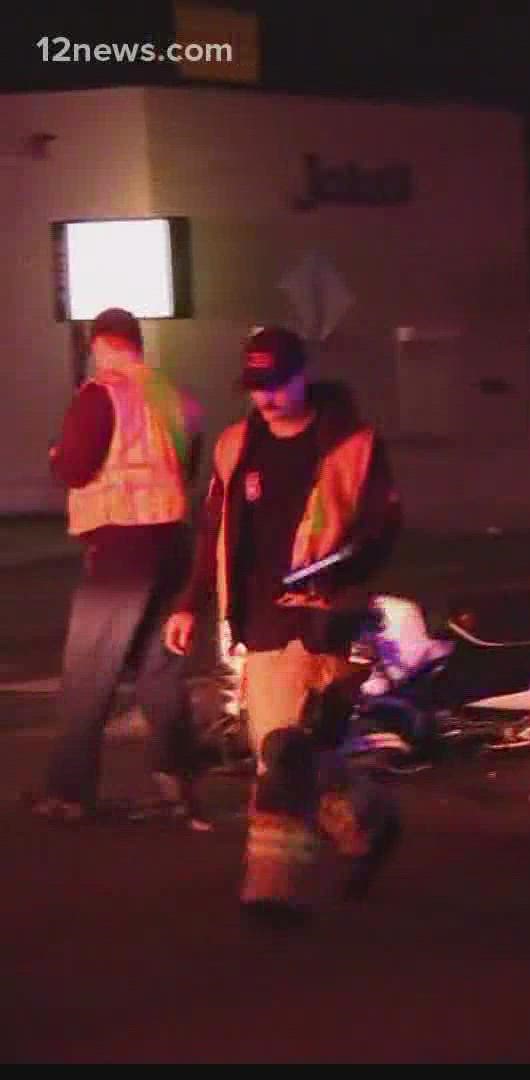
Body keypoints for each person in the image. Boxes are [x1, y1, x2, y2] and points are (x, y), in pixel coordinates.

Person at [163, 326, 404, 927]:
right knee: (301, 754)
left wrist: (337, 579)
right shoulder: (235, 445)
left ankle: (271, 891)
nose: (265, 399)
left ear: (302, 375)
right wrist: (191, 602)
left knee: (283, 754)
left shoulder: (354, 445)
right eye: (255, 387)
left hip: (322, 624)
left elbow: (381, 533)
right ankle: (369, 820)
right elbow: (212, 530)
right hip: (256, 622)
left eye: (275, 385)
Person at [30, 308, 207, 827]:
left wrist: (57, 454)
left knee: (89, 670)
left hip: (119, 548)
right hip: (173, 541)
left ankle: (69, 793)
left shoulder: (99, 394)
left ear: (100, 344)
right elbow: (185, 467)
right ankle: (180, 784)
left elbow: (76, 466)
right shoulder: (178, 400)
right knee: (161, 669)